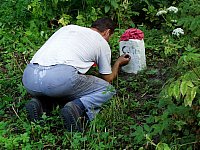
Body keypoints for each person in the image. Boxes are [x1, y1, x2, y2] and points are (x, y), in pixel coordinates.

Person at [22, 18, 131, 132]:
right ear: (107, 32)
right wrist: (118, 63)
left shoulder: (67, 29)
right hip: (59, 79)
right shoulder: (101, 41)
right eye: (110, 37)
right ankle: (77, 108)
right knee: (108, 90)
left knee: (62, 88)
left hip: (30, 77)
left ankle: (41, 104)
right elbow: (108, 78)